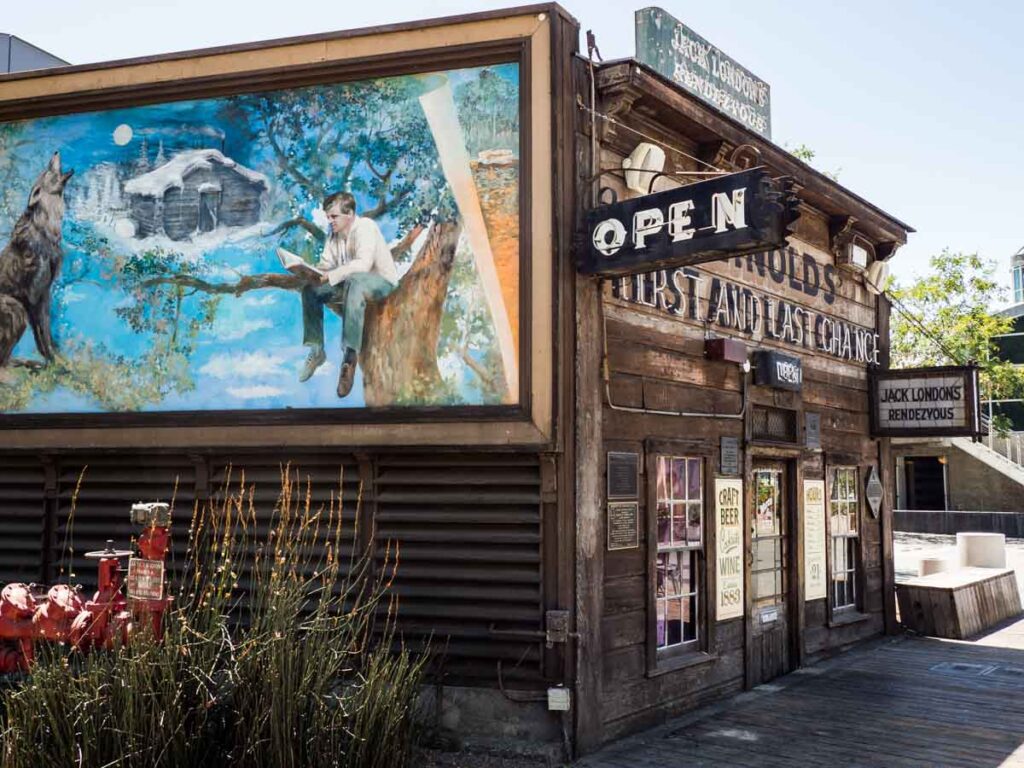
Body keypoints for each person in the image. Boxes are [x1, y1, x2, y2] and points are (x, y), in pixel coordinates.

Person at [298, 191, 398, 397]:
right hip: (351, 284)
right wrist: (312, 272)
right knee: (310, 289)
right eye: (328, 217)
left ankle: (350, 358)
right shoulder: (333, 235)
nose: (330, 221)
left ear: (350, 213)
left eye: (334, 216)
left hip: (381, 283)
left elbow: (363, 265)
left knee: (355, 280)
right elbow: (326, 264)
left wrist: (332, 274)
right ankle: (317, 350)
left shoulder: (366, 227)